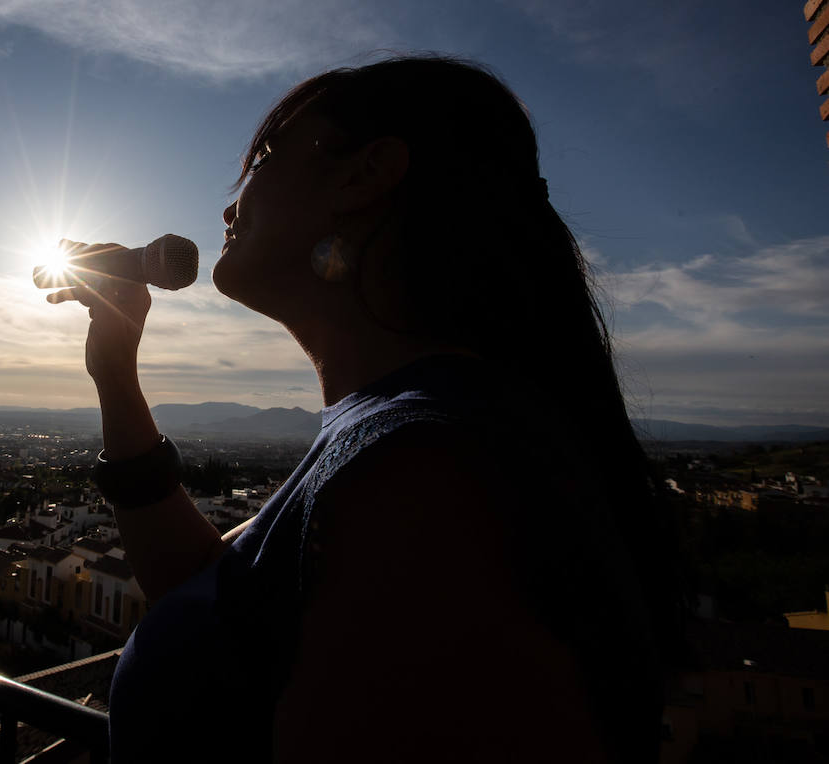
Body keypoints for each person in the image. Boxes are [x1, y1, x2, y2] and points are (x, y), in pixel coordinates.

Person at [43, 55, 676, 763]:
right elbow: (206, 591)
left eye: (267, 155)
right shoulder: (399, 437)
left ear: (364, 175)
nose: (230, 204)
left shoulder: (423, 472)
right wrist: (114, 371)